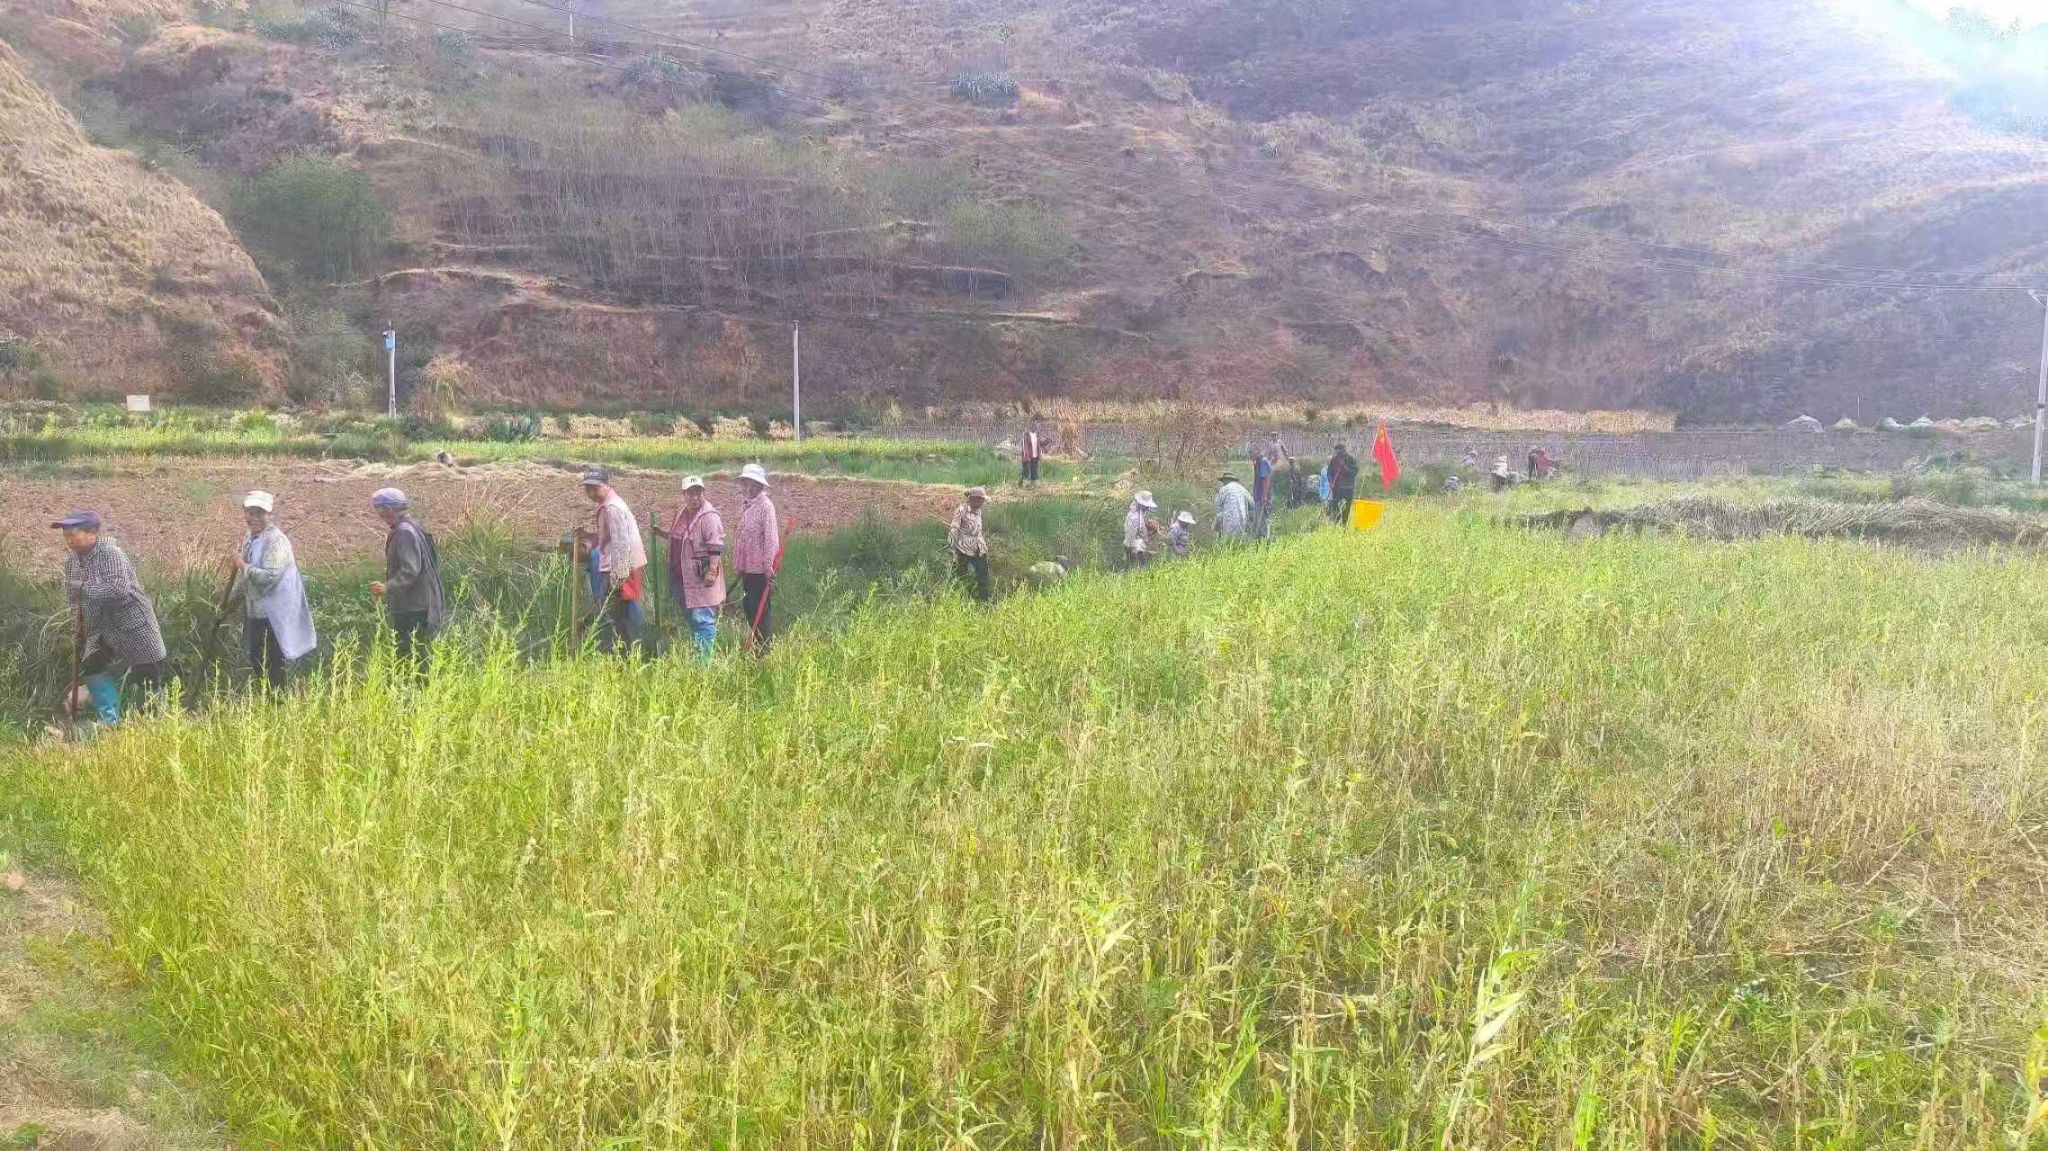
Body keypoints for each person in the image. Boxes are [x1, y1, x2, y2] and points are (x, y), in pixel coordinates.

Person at [54, 512, 167, 727]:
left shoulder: (110, 554)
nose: (69, 540)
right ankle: (110, 721)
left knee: (146, 675)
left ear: (92, 533)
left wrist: (84, 588)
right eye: (66, 535)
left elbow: (118, 589)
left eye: (73, 534)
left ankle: (153, 724)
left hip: (134, 625)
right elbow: (73, 598)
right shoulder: (72, 563)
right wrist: (78, 628)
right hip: (100, 628)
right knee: (92, 666)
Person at [231, 490, 315, 692]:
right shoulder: (250, 537)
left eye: (259, 513)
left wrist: (242, 565)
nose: (253, 518)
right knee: (256, 655)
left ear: (269, 514)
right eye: (250, 513)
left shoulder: (275, 541)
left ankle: (277, 698)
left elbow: (269, 577)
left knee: (274, 659)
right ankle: (267, 695)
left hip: (274, 612)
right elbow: (247, 575)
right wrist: (232, 598)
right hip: (256, 609)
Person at [368, 488, 445, 681]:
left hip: (414, 607)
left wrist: (387, 587)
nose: (379, 515)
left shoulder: (404, 532)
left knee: (411, 657)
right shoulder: (412, 526)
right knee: (418, 655)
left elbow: (410, 570)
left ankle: (415, 692)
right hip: (421, 603)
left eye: (379, 509)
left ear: (390, 509)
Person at [582, 468, 647, 656]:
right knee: (622, 614)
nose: (591, 493)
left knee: (621, 615)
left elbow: (621, 543)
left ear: (607, 485)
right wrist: (590, 537)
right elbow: (611, 537)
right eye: (588, 489)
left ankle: (630, 655)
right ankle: (630, 652)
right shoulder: (612, 504)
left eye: (595, 488)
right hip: (623, 567)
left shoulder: (612, 509)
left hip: (620, 569)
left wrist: (618, 577)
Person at [665, 475, 725, 663]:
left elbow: (716, 545)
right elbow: (679, 537)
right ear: (683, 494)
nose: (695, 497)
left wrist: (712, 571)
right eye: (690, 493)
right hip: (681, 576)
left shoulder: (709, 516)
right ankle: (699, 656)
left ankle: (703, 664)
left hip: (700, 578)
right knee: (692, 618)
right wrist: (660, 533)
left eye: (698, 492)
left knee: (703, 620)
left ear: (703, 493)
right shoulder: (682, 511)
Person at [732, 463, 780, 651]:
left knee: (761, 613)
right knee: (750, 609)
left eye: (752, 484)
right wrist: (739, 565)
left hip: (760, 571)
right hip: (747, 570)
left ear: (760, 485)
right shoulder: (746, 506)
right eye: (745, 483)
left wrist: (769, 568)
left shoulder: (766, 506)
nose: (748, 488)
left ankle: (766, 651)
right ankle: (758, 649)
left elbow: (771, 540)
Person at [949, 486, 992, 602]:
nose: (983, 502)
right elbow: (954, 529)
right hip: (963, 548)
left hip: (979, 548)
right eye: (981, 499)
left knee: (983, 575)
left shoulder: (978, 511)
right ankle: (960, 599)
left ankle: (984, 600)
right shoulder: (961, 511)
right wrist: (952, 548)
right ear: (974, 499)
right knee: (961, 575)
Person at [1124, 490, 1160, 567]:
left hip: (1138, 546)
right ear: (1140, 504)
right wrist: (1135, 555)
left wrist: (1149, 528)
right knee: (1139, 568)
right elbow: (1130, 540)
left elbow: (1140, 530)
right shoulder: (1134, 518)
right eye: (1146, 505)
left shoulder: (1138, 513)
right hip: (1134, 549)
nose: (1147, 507)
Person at [1326, 442, 1359, 524]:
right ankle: (1336, 522)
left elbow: (1354, 472)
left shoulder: (1351, 459)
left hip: (1348, 488)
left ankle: (1344, 524)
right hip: (1336, 488)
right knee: (1335, 506)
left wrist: (1344, 467)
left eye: (1340, 453)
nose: (1338, 455)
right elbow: (1329, 473)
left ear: (1344, 452)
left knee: (1346, 508)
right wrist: (1330, 482)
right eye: (1337, 453)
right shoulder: (1333, 460)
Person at [1215, 473, 1254, 540]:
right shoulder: (1243, 489)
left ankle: (1218, 540)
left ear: (1226, 480)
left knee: (1218, 517)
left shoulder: (1223, 489)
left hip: (1228, 523)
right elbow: (1252, 504)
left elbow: (1217, 504)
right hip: (1242, 523)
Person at [1020, 421, 1045, 486]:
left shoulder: (1037, 434)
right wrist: (1026, 455)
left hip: (1035, 455)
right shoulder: (1026, 434)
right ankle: (1025, 481)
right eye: (1032, 426)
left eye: (1035, 426)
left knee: (1034, 467)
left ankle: (1034, 480)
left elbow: (1039, 445)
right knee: (1026, 468)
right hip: (1028, 455)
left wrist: (1040, 454)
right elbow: (1025, 445)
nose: (1034, 427)